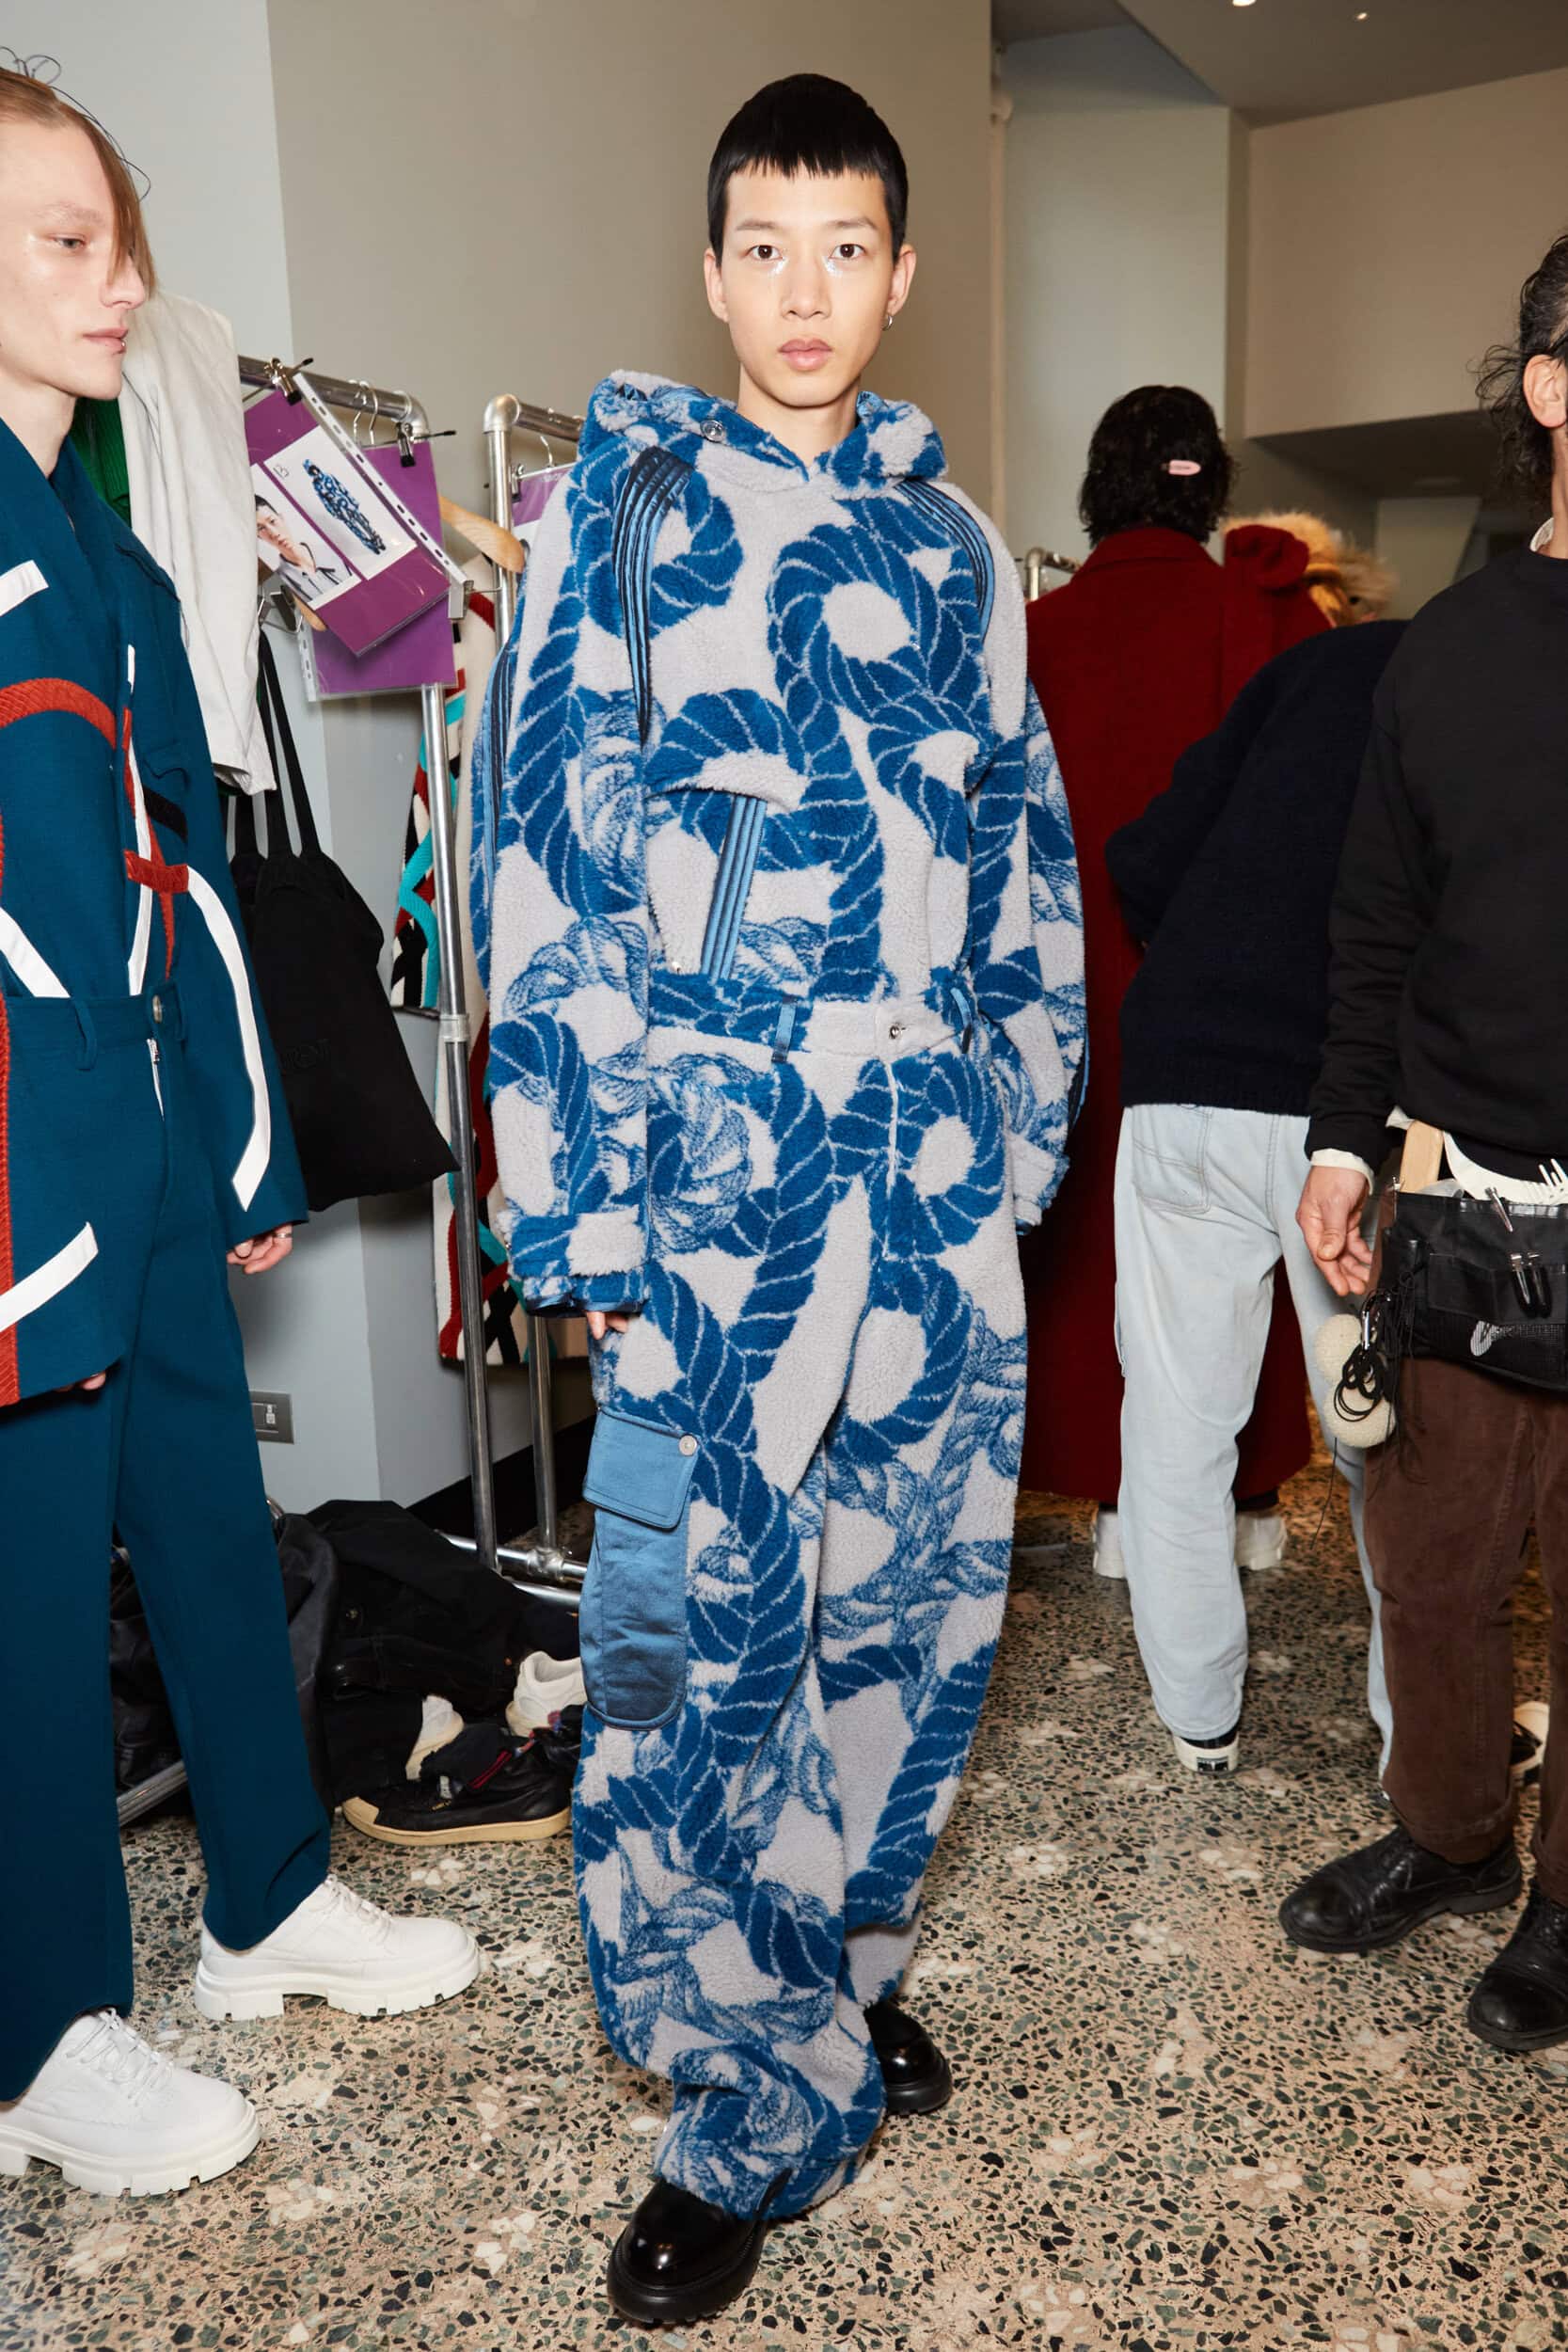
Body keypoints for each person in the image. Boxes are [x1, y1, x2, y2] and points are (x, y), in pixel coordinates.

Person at [478, 72, 1084, 2326]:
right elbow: (545, 867)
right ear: (712, 272)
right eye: (763, 247)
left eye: (844, 247)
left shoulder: (958, 554)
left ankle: (829, 1976)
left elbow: (1022, 862)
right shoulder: (618, 518)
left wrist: (1015, 1139)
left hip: (927, 1198)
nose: (803, 290)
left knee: (909, 1632)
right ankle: (737, 2100)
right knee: (688, 1661)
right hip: (713, 1207)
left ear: (897, 274)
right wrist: (578, 1218)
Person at [0, 69, 477, 2201]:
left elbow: (181, 876)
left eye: (118, 238)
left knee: (208, 1522)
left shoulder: (103, 544)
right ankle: (38, 2035)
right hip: (19, 1169)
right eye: (62, 243)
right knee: (28, 1604)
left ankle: (267, 1899)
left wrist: (245, 1141)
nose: (116, 283)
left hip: (150, 1147)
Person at [1279, 230, 1568, 2054]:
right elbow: (1373, 926)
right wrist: (1336, 1143)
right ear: (1548, 384)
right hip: (1459, 1203)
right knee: (1428, 1571)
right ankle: (1452, 1838)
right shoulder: (1446, 651)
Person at [1103, 520, 1400, 1774]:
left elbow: (1141, 854)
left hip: (1183, 1071)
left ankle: (1198, 1719)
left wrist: (1215, 957)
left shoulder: (1293, 679)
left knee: (1177, 1420)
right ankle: (1417, 1733)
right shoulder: (1471, 692)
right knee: (1386, 1434)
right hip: (1346, 1098)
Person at [1020, 389, 1329, 1579]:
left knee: (1089, 1243)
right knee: (1249, 1246)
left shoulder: (1033, 634)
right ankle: (1247, 1490)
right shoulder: (1272, 621)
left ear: (1099, 485)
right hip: (1240, 999)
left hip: (1069, 989)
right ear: (1210, 488)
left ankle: (1117, 1501)